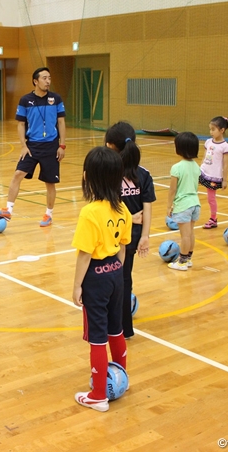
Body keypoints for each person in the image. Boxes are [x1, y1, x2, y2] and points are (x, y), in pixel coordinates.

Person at [72, 146, 132, 412]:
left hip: (95, 277)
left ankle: (98, 394)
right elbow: (122, 247)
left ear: (87, 177)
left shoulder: (90, 213)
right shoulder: (124, 211)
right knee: (115, 329)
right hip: (116, 274)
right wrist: (115, 271)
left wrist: (76, 286)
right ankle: (121, 378)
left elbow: (84, 255)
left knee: (97, 337)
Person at [0, 67, 66, 227]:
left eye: (49, 78)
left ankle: (49, 215)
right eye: (45, 78)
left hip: (51, 147)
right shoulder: (25, 100)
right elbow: (21, 124)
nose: (48, 81)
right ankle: (8, 210)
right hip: (32, 146)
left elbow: (61, 122)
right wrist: (23, 146)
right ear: (35, 81)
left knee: (50, 183)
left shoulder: (56, 99)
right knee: (18, 174)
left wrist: (62, 145)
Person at [104, 122, 155, 339]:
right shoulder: (143, 173)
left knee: (111, 280)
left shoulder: (109, 172)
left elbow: (106, 206)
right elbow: (148, 208)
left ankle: (114, 326)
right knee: (125, 278)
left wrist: (129, 221)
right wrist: (144, 235)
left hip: (112, 236)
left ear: (110, 145)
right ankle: (124, 328)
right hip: (132, 237)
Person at [166, 132, 201, 271]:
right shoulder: (196, 166)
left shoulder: (177, 167)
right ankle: (188, 259)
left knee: (185, 235)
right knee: (191, 233)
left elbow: (172, 190)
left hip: (183, 205)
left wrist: (169, 206)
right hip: (195, 203)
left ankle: (182, 261)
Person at [200, 116, 228, 229]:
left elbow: (225, 165)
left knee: (211, 198)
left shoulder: (225, 147)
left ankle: (213, 219)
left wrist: (225, 180)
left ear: (222, 130)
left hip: (213, 176)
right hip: (202, 172)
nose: (211, 132)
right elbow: (204, 158)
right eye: (210, 129)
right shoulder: (208, 142)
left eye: (213, 129)